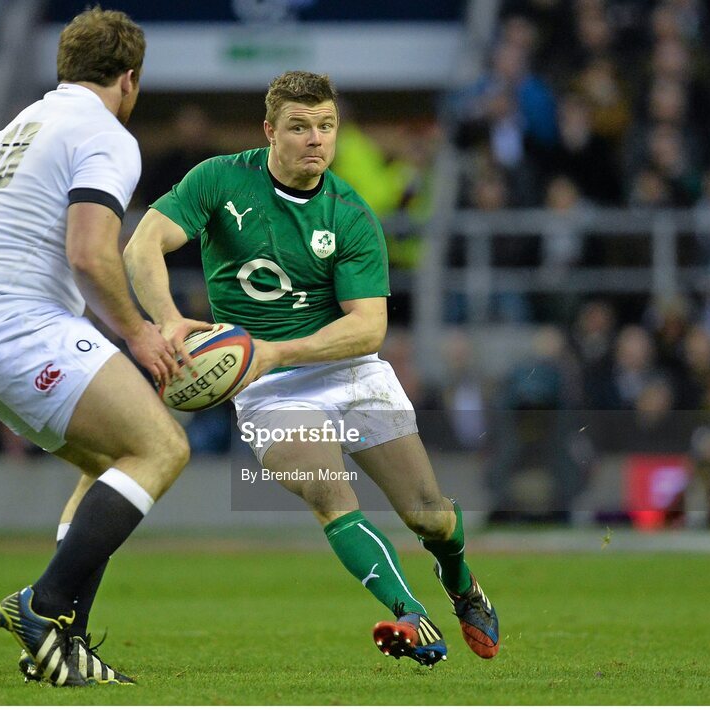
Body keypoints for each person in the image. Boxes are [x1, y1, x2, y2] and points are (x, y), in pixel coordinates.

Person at [124, 71, 499, 666]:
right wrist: (167, 320)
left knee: (429, 514)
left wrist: (277, 350)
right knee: (329, 491)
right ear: (270, 131)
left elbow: (368, 327)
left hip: (347, 369)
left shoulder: (349, 213)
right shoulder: (219, 180)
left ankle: (461, 583)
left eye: (326, 127)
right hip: (267, 389)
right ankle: (410, 616)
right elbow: (142, 243)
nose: (315, 140)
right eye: (300, 127)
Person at [0, 8, 207, 687]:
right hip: (18, 324)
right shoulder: (105, 134)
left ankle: (62, 647)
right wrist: (140, 332)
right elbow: (89, 252)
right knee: (163, 448)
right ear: (130, 79)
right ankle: (43, 605)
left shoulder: (15, 129)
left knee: (112, 461)